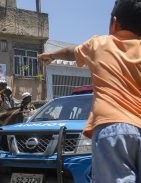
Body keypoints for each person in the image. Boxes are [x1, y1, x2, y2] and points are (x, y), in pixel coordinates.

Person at [38, 0, 141, 182]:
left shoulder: (99, 44)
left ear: (114, 23)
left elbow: (71, 52)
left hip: (112, 128)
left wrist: (51, 55)